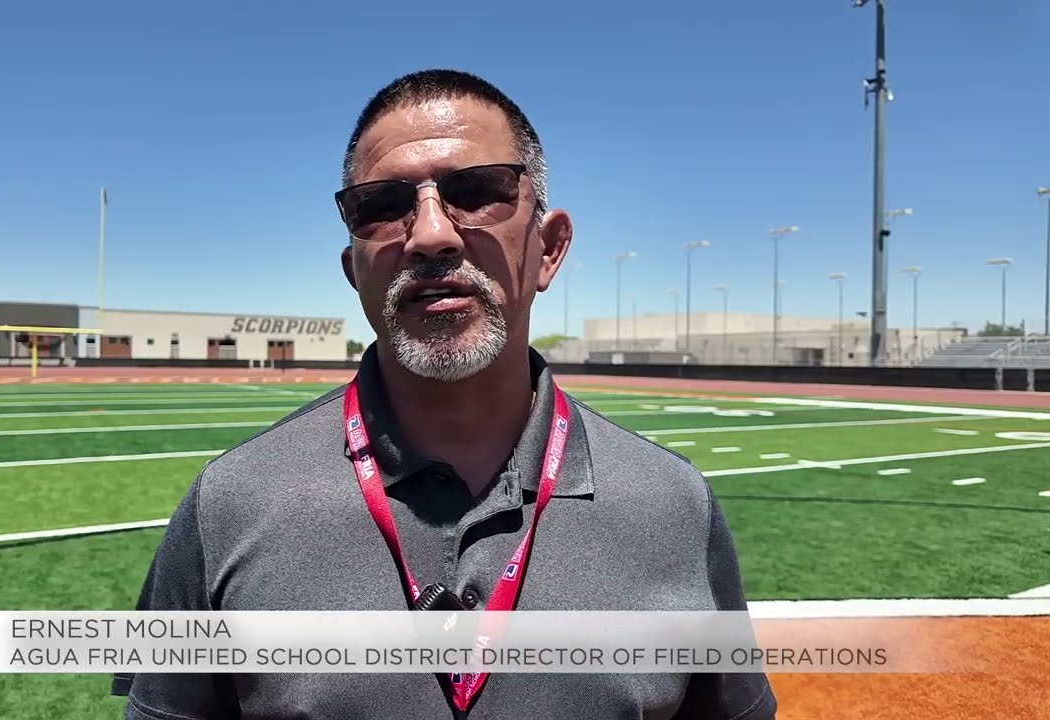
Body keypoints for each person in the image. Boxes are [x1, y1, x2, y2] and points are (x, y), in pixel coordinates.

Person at [111, 68, 777, 720]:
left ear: (549, 250)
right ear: (353, 270)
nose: (430, 233)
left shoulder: (675, 502)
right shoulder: (226, 504)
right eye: (383, 205)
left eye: (479, 189)